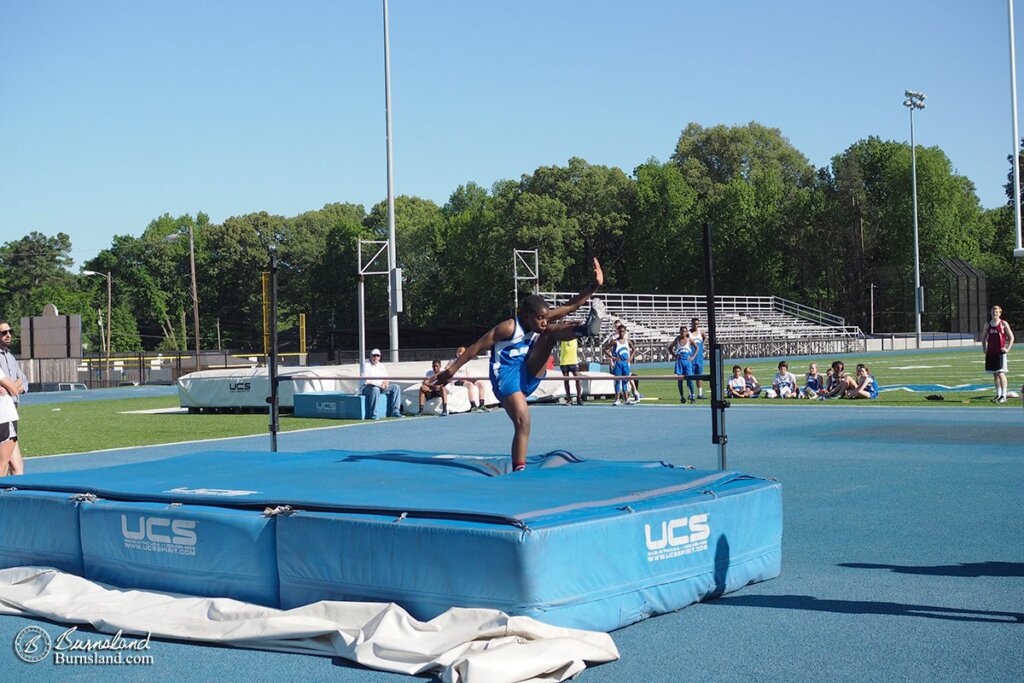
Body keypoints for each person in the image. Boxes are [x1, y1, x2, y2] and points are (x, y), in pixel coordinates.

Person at [431, 258, 606, 472]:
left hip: (528, 368)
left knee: (550, 332)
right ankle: (519, 468)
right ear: (526, 316)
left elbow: (571, 305)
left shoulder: (540, 320)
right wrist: (451, 370)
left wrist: (594, 285)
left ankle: (585, 330)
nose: (543, 321)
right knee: (523, 420)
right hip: (506, 376)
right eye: (540, 318)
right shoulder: (508, 328)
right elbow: (476, 347)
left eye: (545, 317)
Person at [0, 321, 26, 475]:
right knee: (2, 463)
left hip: (11, 410)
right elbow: (14, 388)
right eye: (4, 332)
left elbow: (23, 382)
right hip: (4, 413)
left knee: (17, 466)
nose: (8, 335)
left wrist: (13, 387)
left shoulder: (10, 356)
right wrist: (14, 387)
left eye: (10, 331)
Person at [982, 305, 1015, 404]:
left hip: (1000, 352)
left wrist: (1007, 349)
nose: (994, 313)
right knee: (995, 375)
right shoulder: (987, 324)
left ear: (1000, 313)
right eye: (993, 312)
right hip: (991, 352)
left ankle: (1004, 395)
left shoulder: (1003, 323)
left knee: (1001, 373)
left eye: (996, 312)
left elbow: (1011, 337)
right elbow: (983, 338)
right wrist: (984, 348)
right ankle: (998, 394)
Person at [445, 346, 490, 412]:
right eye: (460, 352)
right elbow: (446, 370)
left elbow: (466, 373)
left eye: (463, 352)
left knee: (481, 383)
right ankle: (473, 406)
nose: (461, 354)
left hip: (465, 379)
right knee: (469, 385)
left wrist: (470, 379)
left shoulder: (464, 362)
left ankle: (482, 405)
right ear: (457, 353)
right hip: (457, 380)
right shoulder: (453, 361)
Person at [361, 348, 402, 419]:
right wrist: (379, 385)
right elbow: (367, 381)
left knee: (396, 387)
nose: (376, 358)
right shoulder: (366, 365)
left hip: (380, 387)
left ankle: (395, 411)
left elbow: (386, 379)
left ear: (380, 357)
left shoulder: (381, 366)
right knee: (375, 389)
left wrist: (385, 384)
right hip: (367, 388)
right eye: (374, 356)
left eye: (378, 356)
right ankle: (373, 414)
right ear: (370, 356)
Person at [604, 324, 635, 406]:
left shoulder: (627, 341)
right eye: (620, 331)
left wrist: (631, 357)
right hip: (618, 363)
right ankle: (617, 399)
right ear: (618, 332)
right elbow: (605, 349)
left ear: (625, 332)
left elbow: (634, 349)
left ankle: (626, 399)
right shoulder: (615, 341)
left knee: (625, 381)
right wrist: (612, 357)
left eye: (623, 331)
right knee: (617, 381)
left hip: (625, 363)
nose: (621, 333)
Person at [667, 325, 699, 403]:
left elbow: (697, 348)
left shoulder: (689, 340)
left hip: (687, 361)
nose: (682, 332)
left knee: (690, 379)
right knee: (680, 380)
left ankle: (692, 396)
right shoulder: (677, 339)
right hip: (679, 361)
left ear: (687, 332)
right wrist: (674, 355)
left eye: (684, 331)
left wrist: (692, 357)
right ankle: (682, 397)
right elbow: (670, 348)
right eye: (681, 331)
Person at [558, 338, 584, 405]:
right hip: (564, 361)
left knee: (577, 379)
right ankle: (568, 399)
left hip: (573, 361)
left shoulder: (574, 337)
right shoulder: (563, 337)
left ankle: (579, 397)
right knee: (566, 380)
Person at [689, 317, 706, 400]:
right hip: (691, 358)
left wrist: (702, 345)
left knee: (699, 376)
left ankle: (700, 393)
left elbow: (705, 338)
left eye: (697, 324)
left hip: (699, 358)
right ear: (691, 324)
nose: (695, 325)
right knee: (690, 376)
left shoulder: (701, 332)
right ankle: (690, 393)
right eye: (694, 323)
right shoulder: (688, 333)